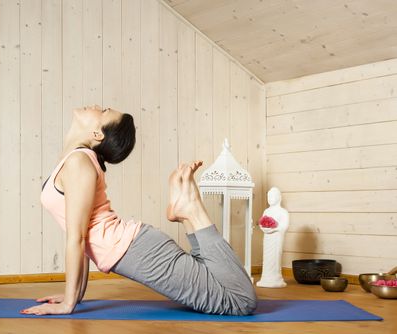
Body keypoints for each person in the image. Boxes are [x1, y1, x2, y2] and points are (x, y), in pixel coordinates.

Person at [20, 105, 257, 316]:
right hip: (139, 247)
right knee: (211, 274)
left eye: (103, 111)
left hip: (141, 252)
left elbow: (78, 239)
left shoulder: (78, 162)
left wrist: (69, 303)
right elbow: (81, 240)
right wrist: (74, 296)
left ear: (97, 133)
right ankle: (188, 212)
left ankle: (192, 210)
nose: (96, 106)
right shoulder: (76, 160)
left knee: (241, 301)